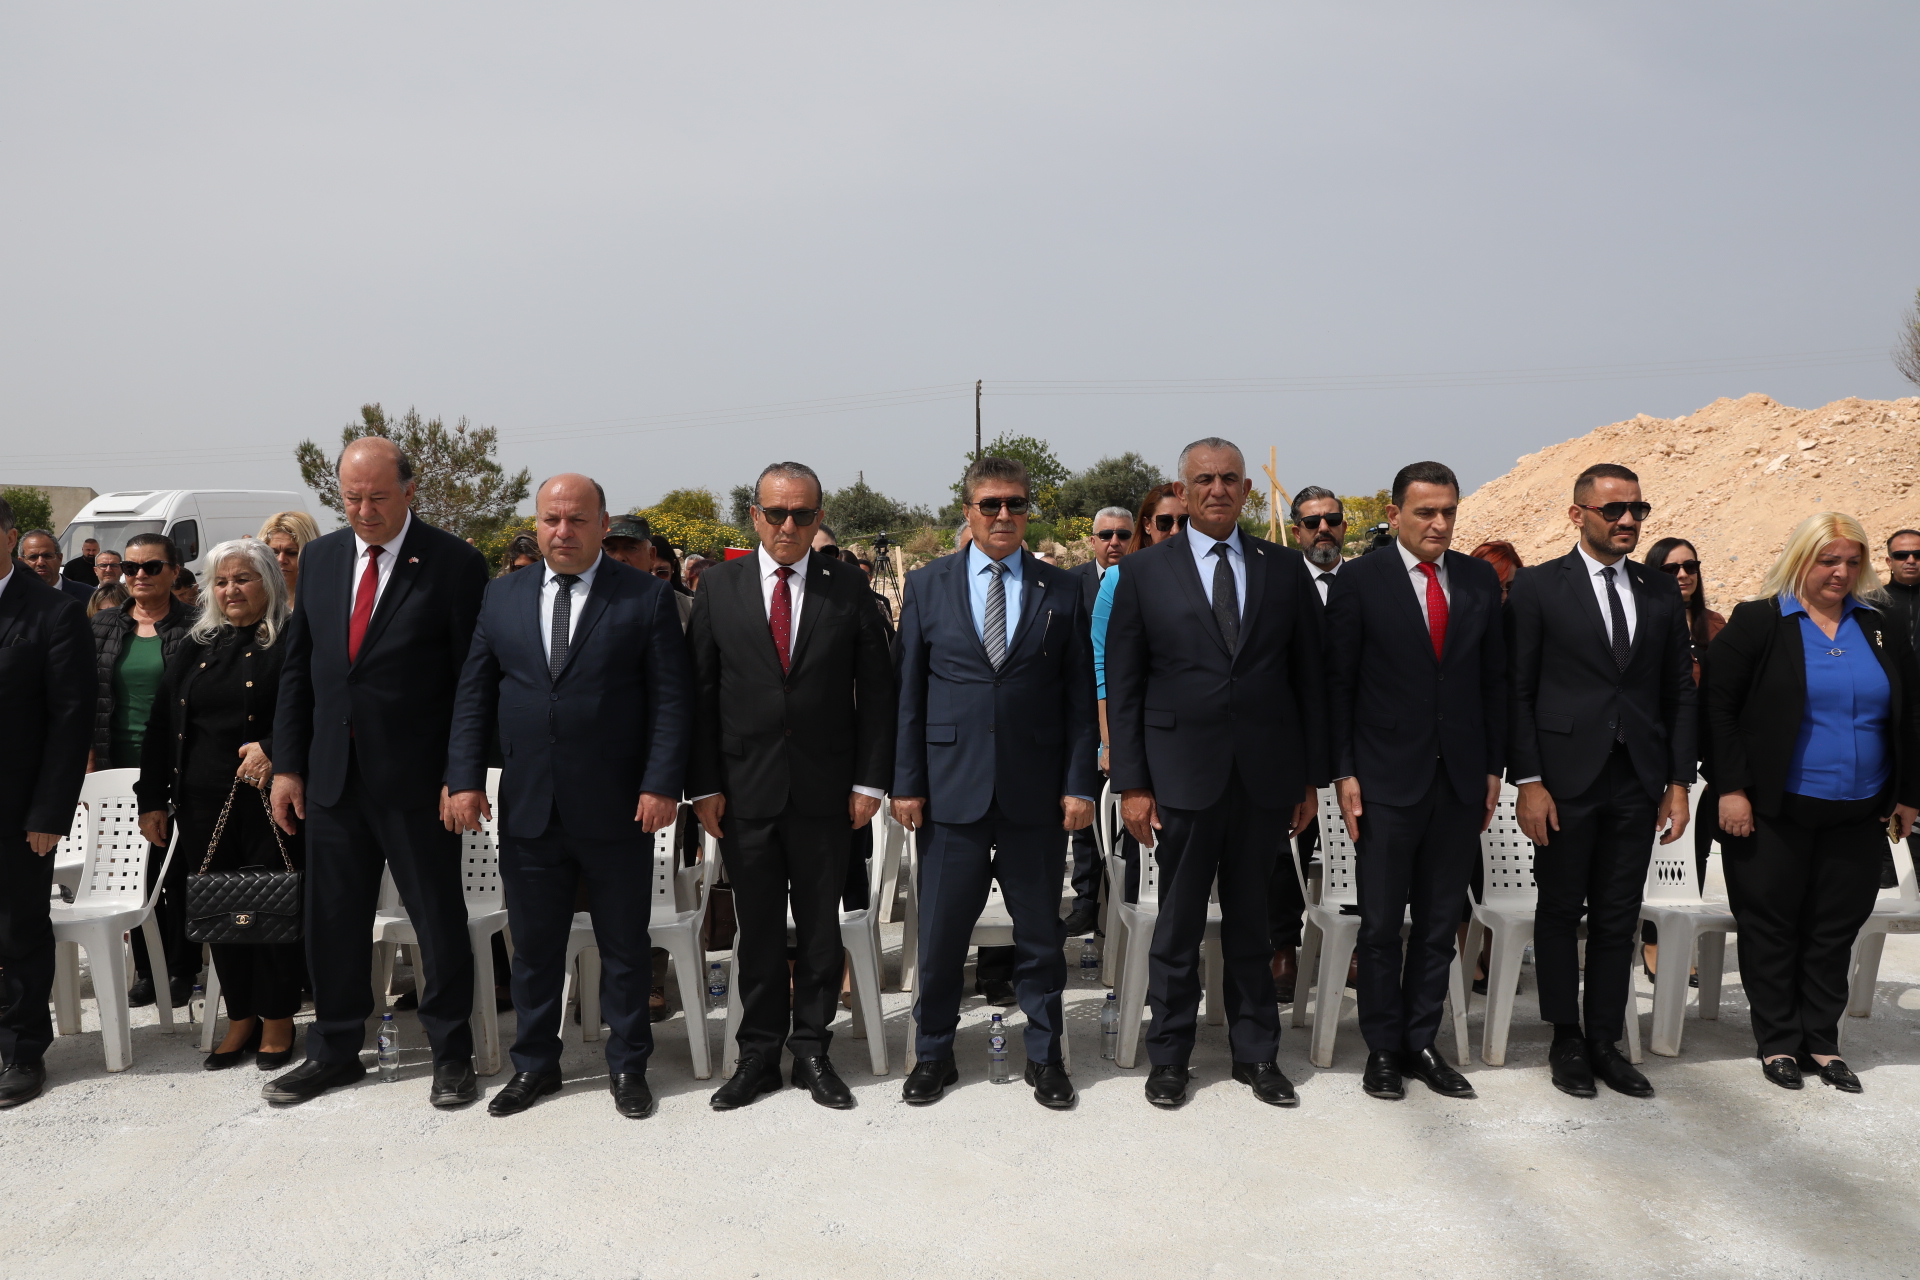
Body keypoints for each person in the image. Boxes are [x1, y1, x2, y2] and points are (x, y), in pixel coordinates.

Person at [446, 474, 690, 1119]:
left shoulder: (644, 596)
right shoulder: (502, 595)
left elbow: (671, 700)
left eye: (577, 519)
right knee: (532, 950)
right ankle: (535, 1065)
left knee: (624, 947)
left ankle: (629, 1065)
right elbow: (475, 693)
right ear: (537, 523)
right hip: (529, 805)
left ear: (602, 525)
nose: (563, 531)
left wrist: (661, 783)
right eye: (551, 519)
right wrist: (464, 777)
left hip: (618, 805)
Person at [265, 437, 489, 1107]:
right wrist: (288, 766)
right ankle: (334, 1051)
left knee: (437, 920)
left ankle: (452, 1055)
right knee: (332, 921)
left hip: (418, 783)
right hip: (333, 778)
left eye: (378, 498)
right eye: (352, 498)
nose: (364, 511)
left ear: (410, 491)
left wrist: (461, 773)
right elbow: (300, 669)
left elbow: (472, 682)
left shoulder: (454, 563)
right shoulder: (323, 558)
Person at [1106, 438, 1326, 1109]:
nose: (1218, 489)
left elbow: (1309, 680)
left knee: (1253, 925)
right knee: (1176, 927)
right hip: (1180, 778)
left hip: (1264, 779)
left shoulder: (1282, 568)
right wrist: (1133, 784)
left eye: (1230, 478)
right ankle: (1170, 1056)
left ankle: (1257, 1054)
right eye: (1203, 479)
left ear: (1247, 490)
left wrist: (1308, 780)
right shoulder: (1144, 572)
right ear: (1183, 488)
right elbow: (1126, 687)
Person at [688, 462, 895, 1111]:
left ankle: (810, 1048)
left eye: (801, 514)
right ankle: (757, 1054)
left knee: (819, 930)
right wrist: (702, 785)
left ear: (818, 518)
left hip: (826, 792)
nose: (787, 525)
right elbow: (698, 693)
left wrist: (869, 782)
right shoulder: (718, 587)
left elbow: (878, 693)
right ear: (755, 516)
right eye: (776, 513)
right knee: (755, 929)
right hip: (743, 792)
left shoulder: (848, 587)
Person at [892, 456, 1097, 1110]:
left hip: (1035, 795)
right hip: (950, 792)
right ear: (968, 511)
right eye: (990, 504)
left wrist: (1079, 785)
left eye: (1015, 503)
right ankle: (933, 1054)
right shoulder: (927, 585)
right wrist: (906, 783)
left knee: (1040, 937)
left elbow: (1077, 699)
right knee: (942, 937)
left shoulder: (1061, 589)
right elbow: (909, 695)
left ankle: (1046, 1057)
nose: (1003, 515)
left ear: (1028, 510)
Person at [1703, 513, 1920, 1093]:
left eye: (1852, 561)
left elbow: (1910, 712)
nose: (1841, 572)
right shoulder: (1760, 620)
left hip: (1860, 809)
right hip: (1773, 809)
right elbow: (1717, 709)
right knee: (1771, 927)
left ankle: (1822, 1042)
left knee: (1833, 929)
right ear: (1801, 559)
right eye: (1828, 560)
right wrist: (1731, 788)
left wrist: (1909, 794)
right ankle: (1778, 1041)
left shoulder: (1879, 624)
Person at [1506, 462, 1694, 1101]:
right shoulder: (1537, 587)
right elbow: (1518, 691)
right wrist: (1529, 780)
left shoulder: (1659, 590)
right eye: (1613, 509)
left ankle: (1605, 1041)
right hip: (1563, 780)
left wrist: (1678, 782)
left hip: (1637, 778)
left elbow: (1678, 693)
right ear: (1577, 514)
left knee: (1618, 915)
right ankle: (1565, 1037)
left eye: (1637, 509)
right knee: (1561, 910)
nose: (1628, 520)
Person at [1327, 462, 1504, 1101]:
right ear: (1395, 514)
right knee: (1380, 927)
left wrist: (1493, 768)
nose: (1439, 523)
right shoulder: (1359, 579)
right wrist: (1344, 770)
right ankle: (1382, 1048)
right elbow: (1338, 685)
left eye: (1448, 511)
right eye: (1426, 512)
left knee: (1438, 925)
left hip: (1459, 780)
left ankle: (1421, 1042)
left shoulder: (1478, 580)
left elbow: (1494, 681)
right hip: (1383, 780)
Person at [136, 540, 305, 1071]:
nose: (231, 590)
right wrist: (152, 799)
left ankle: (278, 1017)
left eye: (243, 578)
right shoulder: (197, 642)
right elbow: (162, 722)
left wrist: (273, 749)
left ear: (268, 582)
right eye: (222, 581)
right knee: (222, 911)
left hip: (269, 801)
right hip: (200, 803)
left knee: (270, 907)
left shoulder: (293, 637)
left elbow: (316, 709)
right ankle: (241, 1016)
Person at [0, 497, 94, 1108]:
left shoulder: (54, 612)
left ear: (8, 536)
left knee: (18, 934)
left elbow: (69, 721)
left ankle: (22, 1050)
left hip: (17, 812)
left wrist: (49, 813)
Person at [91, 532, 197, 1008]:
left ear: (173, 572)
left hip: (179, 766)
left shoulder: (197, 626)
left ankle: (182, 967)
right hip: (116, 767)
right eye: (131, 568)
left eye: (151, 567)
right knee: (130, 876)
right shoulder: (103, 626)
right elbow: (87, 699)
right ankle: (147, 971)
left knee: (177, 872)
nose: (138, 576)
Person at [1640, 536, 1731, 979]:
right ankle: (1650, 938)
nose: (1682, 575)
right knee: (1649, 851)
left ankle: (1673, 938)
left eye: (1690, 566)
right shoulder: (1642, 619)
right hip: (1652, 750)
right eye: (1671, 568)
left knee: (1692, 851)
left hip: (1701, 756)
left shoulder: (1714, 625)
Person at [1273, 486, 1347, 1001]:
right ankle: (1283, 946)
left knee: (1358, 843)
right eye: (1312, 522)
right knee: (1285, 850)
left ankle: (1355, 943)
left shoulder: (1368, 582)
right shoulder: (1276, 583)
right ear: (1296, 530)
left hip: (1356, 741)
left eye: (1332, 520)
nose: (1324, 529)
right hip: (1292, 742)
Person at [1058, 505, 1135, 938]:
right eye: (1106, 535)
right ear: (1092, 540)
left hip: (1129, 713)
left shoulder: (1142, 578)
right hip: (1082, 716)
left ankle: (1126, 903)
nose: (1114, 542)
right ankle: (1087, 902)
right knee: (1085, 813)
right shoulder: (1071, 584)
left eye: (1123, 534)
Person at [258, 510, 322, 603]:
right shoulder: (255, 603)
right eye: (274, 552)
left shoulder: (326, 600)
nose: (281, 559)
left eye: (291, 553)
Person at [19, 530, 94, 605]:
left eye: (47, 556)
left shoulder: (88, 595)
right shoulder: (13, 595)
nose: (41, 563)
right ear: (21, 561)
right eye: (33, 557)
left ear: (60, 558)